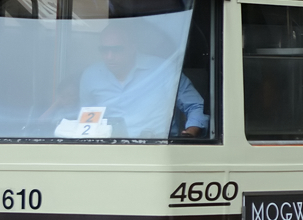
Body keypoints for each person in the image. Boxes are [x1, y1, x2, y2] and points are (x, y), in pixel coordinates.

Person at [79, 21, 208, 139]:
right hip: (105, 150)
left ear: (133, 47)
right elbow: (85, 116)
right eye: (104, 50)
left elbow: (196, 106)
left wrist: (190, 134)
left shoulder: (164, 71)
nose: (109, 56)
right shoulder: (91, 76)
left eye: (116, 49)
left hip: (157, 149)